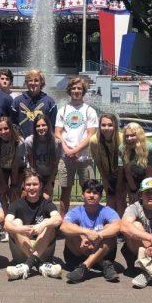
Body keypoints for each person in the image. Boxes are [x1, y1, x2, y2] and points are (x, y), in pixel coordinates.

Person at [4, 169, 63, 280]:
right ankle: (39, 265)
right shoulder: (16, 204)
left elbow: (58, 219)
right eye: (28, 184)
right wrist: (21, 229)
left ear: (40, 185)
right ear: (23, 186)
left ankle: (27, 265)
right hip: (22, 248)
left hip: (43, 247)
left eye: (35, 184)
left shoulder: (47, 204)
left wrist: (42, 225)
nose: (32, 188)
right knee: (16, 223)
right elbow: (6, 225)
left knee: (48, 223)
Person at [61, 178, 122, 284]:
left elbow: (118, 226)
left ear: (100, 197)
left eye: (95, 193)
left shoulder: (106, 211)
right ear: (82, 195)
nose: (91, 195)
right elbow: (63, 227)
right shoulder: (76, 211)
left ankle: (84, 267)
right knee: (71, 230)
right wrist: (85, 233)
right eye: (88, 192)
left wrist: (98, 236)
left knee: (110, 230)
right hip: (78, 253)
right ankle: (102, 263)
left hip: (100, 249)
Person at [55, 76, 99, 215]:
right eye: (73, 88)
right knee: (65, 191)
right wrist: (67, 149)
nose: (76, 91)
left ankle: (89, 219)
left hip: (84, 158)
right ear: (69, 90)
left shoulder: (89, 110)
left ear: (83, 91)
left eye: (79, 88)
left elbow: (91, 134)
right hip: (65, 156)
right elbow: (57, 132)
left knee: (88, 190)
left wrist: (76, 150)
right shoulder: (63, 110)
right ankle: (62, 222)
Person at [89, 113, 125, 215]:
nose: (106, 128)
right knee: (110, 199)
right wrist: (105, 180)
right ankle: (111, 225)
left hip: (123, 173)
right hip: (107, 173)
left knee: (120, 199)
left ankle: (122, 226)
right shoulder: (94, 140)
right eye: (103, 125)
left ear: (115, 126)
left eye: (110, 125)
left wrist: (119, 182)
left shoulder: (122, 139)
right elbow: (98, 162)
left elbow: (125, 164)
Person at [0, 116, 25, 220]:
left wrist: (14, 184)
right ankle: (5, 220)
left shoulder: (19, 142)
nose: (3, 132)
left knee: (15, 194)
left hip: (18, 167)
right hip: (2, 168)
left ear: (11, 128)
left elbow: (15, 162)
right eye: (0, 129)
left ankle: (16, 218)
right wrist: (3, 183)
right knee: (2, 193)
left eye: (6, 128)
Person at [12, 69, 57, 139]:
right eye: (30, 80)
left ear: (41, 82)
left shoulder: (50, 102)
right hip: (22, 143)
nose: (33, 83)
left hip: (43, 143)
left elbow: (53, 126)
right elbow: (13, 125)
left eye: (36, 80)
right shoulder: (17, 101)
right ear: (26, 83)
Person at [121, 122, 152, 201]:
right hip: (131, 176)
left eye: (132, 135)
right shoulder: (122, 149)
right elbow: (127, 172)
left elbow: (149, 172)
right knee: (134, 200)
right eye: (127, 136)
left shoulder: (150, 148)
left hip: (148, 175)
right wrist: (134, 191)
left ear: (139, 135)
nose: (129, 138)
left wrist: (142, 191)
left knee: (146, 199)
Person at [24, 115, 60, 199]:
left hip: (49, 175)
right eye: (38, 126)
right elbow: (31, 163)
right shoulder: (29, 141)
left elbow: (55, 164)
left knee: (46, 198)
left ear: (48, 126)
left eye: (44, 125)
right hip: (35, 173)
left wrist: (50, 182)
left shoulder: (56, 142)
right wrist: (37, 180)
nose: (41, 128)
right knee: (33, 198)